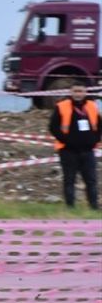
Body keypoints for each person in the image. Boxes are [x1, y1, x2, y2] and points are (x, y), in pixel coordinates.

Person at [48, 81, 100, 210]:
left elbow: (99, 125)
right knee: (69, 180)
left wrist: (95, 140)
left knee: (91, 181)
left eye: (81, 91)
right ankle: (70, 207)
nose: (78, 94)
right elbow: (53, 127)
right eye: (75, 91)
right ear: (71, 92)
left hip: (88, 150)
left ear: (85, 92)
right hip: (68, 151)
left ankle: (94, 207)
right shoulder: (61, 106)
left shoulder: (92, 106)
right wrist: (65, 140)